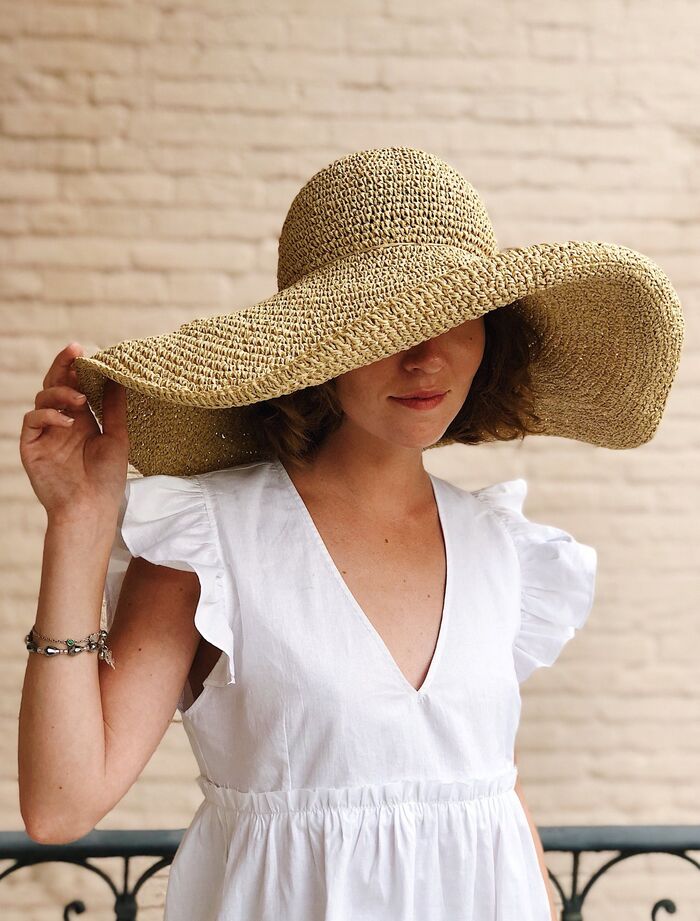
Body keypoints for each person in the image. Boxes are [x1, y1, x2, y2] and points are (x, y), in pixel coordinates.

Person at [18, 147, 684, 921]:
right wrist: (78, 524)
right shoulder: (211, 542)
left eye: (450, 315)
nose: (424, 355)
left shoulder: (503, 548)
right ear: (319, 347)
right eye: (384, 321)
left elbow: (491, 798)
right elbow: (60, 807)